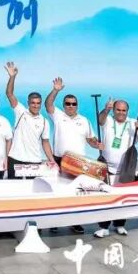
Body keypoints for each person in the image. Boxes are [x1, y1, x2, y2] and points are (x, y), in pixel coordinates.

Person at [43, 77, 100, 234]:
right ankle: (54, 221)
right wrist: (55, 90)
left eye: (73, 104)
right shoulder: (58, 116)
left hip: (79, 163)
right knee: (57, 192)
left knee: (76, 193)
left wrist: (96, 144)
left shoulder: (84, 121)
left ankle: (75, 222)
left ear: (77, 105)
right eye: (67, 103)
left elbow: (91, 140)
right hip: (60, 160)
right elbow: (48, 104)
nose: (70, 106)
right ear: (64, 105)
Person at [95, 98, 138, 238]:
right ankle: (103, 227)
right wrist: (106, 109)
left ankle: (120, 224)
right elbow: (100, 120)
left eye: (124, 110)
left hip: (125, 169)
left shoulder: (133, 123)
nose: (121, 113)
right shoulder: (108, 119)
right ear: (114, 110)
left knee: (123, 198)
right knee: (106, 198)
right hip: (106, 167)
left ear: (127, 111)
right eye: (118, 110)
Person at [4, 62, 56, 178]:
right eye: (33, 103)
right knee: (13, 188)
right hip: (15, 158)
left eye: (38, 103)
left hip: (35, 161)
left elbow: (45, 142)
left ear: (41, 104)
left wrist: (52, 160)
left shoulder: (44, 122)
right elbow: (9, 94)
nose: (35, 105)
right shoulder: (21, 112)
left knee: (32, 188)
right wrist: (12, 77)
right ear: (28, 103)